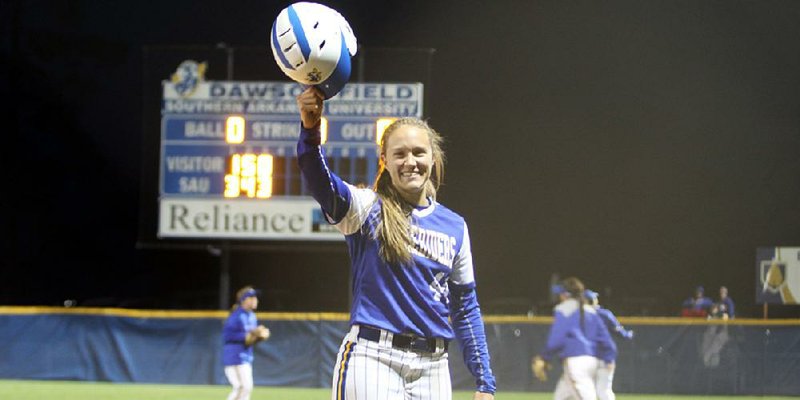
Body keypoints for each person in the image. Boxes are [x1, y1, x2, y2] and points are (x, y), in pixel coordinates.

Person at [296, 87, 495, 400]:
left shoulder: (455, 227)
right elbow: (319, 181)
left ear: (433, 158)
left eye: (418, 152)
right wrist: (310, 131)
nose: (410, 161)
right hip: (373, 358)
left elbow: (466, 308)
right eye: (399, 154)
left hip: (434, 366)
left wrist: (484, 380)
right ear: (384, 160)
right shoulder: (366, 209)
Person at [532, 277, 616, 400]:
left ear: (565, 295)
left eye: (560, 293)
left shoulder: (564, 309)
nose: (559, 296)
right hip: (593, 362)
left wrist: (545, 357)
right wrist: (609, 357)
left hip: (576, 364)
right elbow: (605, 338)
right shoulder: (591, 311)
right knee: (561, 397)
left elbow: (557, 339)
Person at [222, 286, 270, 400]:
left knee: (246, 389)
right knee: (242, 387)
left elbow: (249, 339)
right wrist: (249, 335)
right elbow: (227, 336)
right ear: (244, 300)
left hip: (246, 356)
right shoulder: (236, 316)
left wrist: (257, 337)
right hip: (234, 357)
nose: (255, 300)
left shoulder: (252, 316)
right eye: (251, 297)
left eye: (255, 297)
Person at [585, 290, 633, 400]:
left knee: (586, 390)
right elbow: (620, 332)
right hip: (604, 356)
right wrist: (628, 335)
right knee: (604, 391)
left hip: (586, 357)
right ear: (593, 300)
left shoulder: (578, 316)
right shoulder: (604, 314)